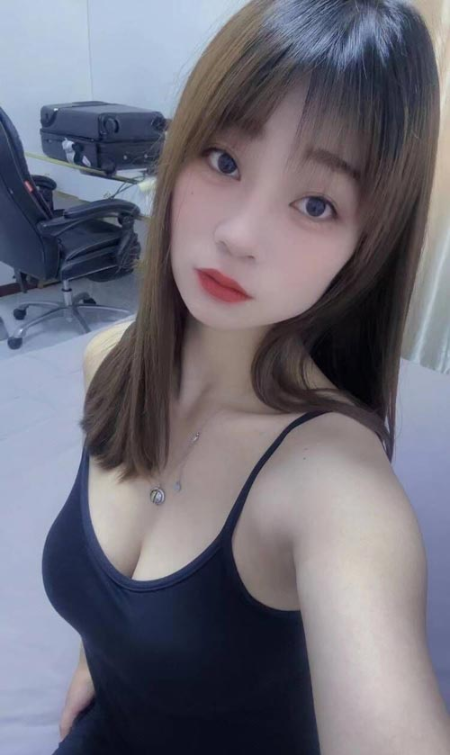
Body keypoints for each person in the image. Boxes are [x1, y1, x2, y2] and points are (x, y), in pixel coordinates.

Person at [42, 1, 449, 753]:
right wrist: (96, 659)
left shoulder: (337, 493)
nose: (238, 235)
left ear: (365, 251)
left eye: (316, 204)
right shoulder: (109, 362)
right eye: (224, 161)